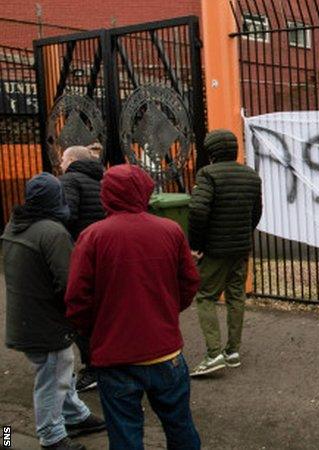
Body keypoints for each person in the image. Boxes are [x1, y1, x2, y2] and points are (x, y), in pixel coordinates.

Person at [65, 164, 201, 449]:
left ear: (106, 194)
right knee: (180, 426)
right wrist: (164, 311)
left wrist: (97, 329)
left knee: (125, 435)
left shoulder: (92, 237)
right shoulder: (170, 231)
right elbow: (189, 283)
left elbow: (77, 300)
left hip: (115, 356)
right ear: (145, 191)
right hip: (165, 351)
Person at [3, 173, 105, 450]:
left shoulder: (15, 226)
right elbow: (69, 282)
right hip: (46, 323)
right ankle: (51, 436)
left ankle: (74, 415)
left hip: (26, 317)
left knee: (60, 371)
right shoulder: (53, 232)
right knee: (53, 376)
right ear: (56, 198)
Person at [188, 129, 263, 376]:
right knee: (235, 296)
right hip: (240, 248)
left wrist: (196, 245)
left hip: (214, 250)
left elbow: (198, 211)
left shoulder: (208, 175)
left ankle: (213, 354)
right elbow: (256, 212)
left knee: (205, 296)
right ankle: (232, 351)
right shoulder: (251, 175)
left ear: (212, 152)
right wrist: (243, 233)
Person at [58, 145, 106, 392]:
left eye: (63, 159)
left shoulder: (69, 180)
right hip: (102, 252)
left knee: (79, 313)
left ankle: (94, 367)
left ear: (73, 160)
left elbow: (67, 214)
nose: (60, 164)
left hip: (80, 253)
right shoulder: (101, 179)